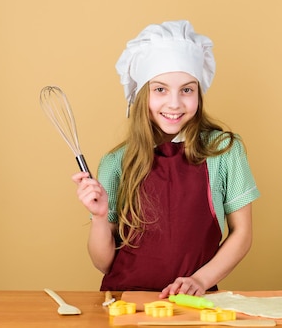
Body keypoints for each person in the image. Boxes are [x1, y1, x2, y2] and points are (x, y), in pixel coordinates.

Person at [73, 20, 260, 298]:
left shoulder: (224, 150)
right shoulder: (116, 162)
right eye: (160, 89)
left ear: (199, 93)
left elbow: (242, 233)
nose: (174, 103)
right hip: (127, 300)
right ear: (140, 96)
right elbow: (104, 263)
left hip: (196, 300)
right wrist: (100, 218)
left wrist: (200, 280)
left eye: (187, 90)